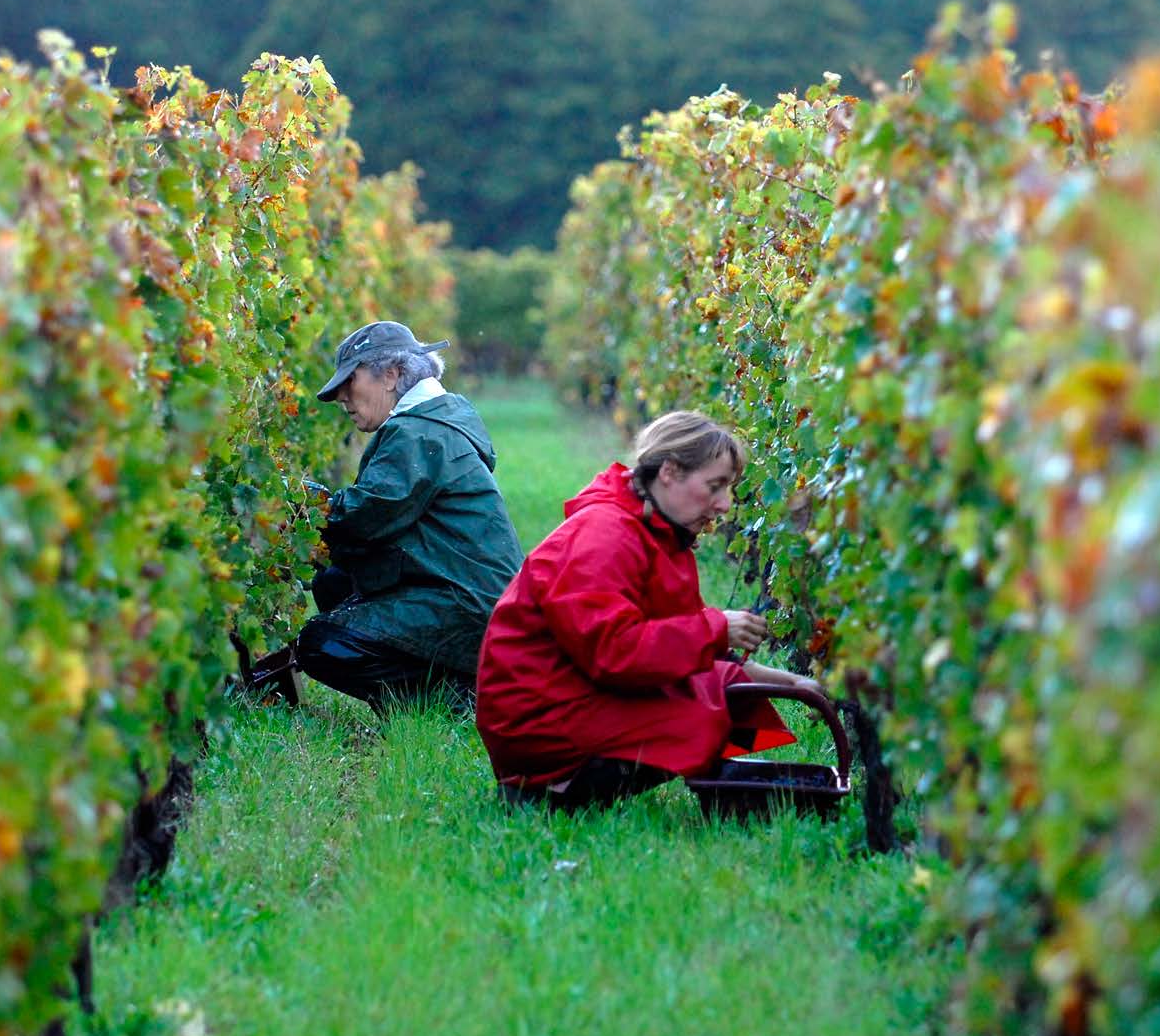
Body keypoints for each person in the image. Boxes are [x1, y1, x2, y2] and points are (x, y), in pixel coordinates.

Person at [476, 411, 822, 809]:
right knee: (700, 714)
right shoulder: (602, 536)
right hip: (536, 718)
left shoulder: (659, 534)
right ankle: (551, 790)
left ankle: (569, 782)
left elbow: (700, 654)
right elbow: (613, 652)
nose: (725, 504)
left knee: (723, 692)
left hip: (572, 692)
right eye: (715, 486)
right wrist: (715, 629)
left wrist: (795, 686)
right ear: (670, 472)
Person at [246, 321, 523, 710]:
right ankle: (456, 683)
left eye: (350, 381)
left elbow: (361, 520)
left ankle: (458, 700)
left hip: (467, 607)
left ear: (391, 374)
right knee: (334, 583)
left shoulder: (419, 434)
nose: (342, 397)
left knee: (322, 644)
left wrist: (294, 501)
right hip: (480, 601)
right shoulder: (435, 420)